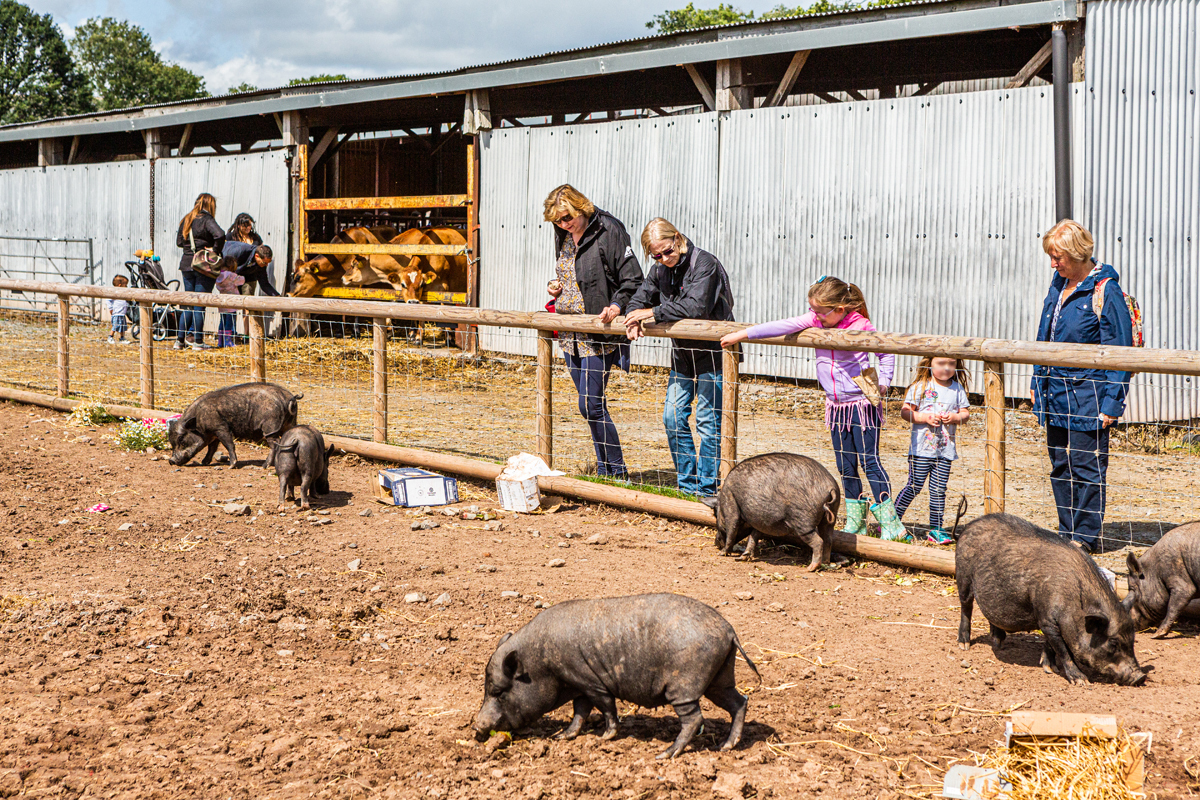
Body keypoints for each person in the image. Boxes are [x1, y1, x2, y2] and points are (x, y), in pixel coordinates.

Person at [720, 276, 903, 540]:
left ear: (839, 309)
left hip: (861, 405)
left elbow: (886, 352)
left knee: (869, 462)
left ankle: (891, 525)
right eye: (812, 310)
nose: (814, 315)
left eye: (819, 311)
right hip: (836, 407)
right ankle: (857, 522)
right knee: (845, 465)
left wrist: (884, 382)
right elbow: (781, 325)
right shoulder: (816, 319)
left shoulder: (861, 325)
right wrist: (742, 334)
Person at [1032, 219, 1133, 554]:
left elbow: (1120, 350)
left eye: (1058, 257)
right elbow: (1044, 335)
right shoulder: (1058, 284)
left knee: (1086, 466)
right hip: (1055, 391)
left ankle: (1084, 538)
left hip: (1089, 395)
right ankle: (1066, 532)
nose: (1053, 263)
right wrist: (1037, 378)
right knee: (1060, 465)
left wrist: (1112, 402)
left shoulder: (1105, 290)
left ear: (1077, 254)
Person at [625, 218, 735, 497]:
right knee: (672, 417)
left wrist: (653, 312)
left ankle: (707, 490)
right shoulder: (659, 269)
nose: (664, 259)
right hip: (682, 355)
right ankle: (687, 487)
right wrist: (633, 317)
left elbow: (696, 306)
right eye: (656, 256)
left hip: (715, 352)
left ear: (677, 238)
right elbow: (639, 298)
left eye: (667, 251)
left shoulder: (705, 263)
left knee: (708, 423)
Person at [543, 184, 643, 480]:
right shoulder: (563, 233)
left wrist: (616, 305)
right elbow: (572, 273)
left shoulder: (608, 230)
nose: (563, 224)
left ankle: (618, 471)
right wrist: (557, 287)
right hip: (570, 332)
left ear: (580, 208)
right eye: (557, 220)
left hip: (598, 331)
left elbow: (632, 279)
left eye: (567, 218)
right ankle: (604, 469)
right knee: (590, 406)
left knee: (590, 403)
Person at [893, 356, 971, 544]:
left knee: (938, 490)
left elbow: (965, 413)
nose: (947, 368)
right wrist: (924, 417)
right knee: (914, 486)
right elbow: (905, 411)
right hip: (921, 450)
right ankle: (892, 522)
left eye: (951, 364)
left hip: (945, 452)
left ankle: (936, 529)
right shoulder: (920, 387)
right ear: (930, 364)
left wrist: (955, 417)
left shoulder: (957, 389)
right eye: (941, 364)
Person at [175, 193, 225, 350]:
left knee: (188, 304)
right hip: (203, 265)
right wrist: (214, 250)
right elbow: (220, 235)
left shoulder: (186, 219)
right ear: (210, 205)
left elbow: (179, 242)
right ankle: (197, 341)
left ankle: (179, 341)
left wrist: (191, 246)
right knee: (199, 304)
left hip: (186, 264)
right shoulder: (207, 219)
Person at [226, 214, 276, 339]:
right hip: (233, 275)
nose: (248, 227)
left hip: (250, 276)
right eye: (245, 225)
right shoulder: (232, 240)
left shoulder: (255, 239)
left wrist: (276, 295)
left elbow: (264, 281)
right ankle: (229, 333)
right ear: (239, 225)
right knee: (230, 305)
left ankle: (247, 335)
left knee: (247, 305)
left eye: (250, 225)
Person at [213, 259, 245, 348]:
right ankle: (227, 341)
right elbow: (241, 281)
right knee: (229, 321)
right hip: (231, 302)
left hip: (222, 301)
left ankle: (220, 341)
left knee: (222, 321)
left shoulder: (218, 275)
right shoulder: (231, 275)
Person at [105, 275, 131, 345]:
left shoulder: (123, 293)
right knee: (115, 326)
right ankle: (110, 337)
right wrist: (111, 308)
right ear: (120, 285)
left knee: (122, 327)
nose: (126, 286)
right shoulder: (115, 293)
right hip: (117, 313)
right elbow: (108, 300)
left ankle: (122, 338)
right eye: (125, 285)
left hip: (122, 313)